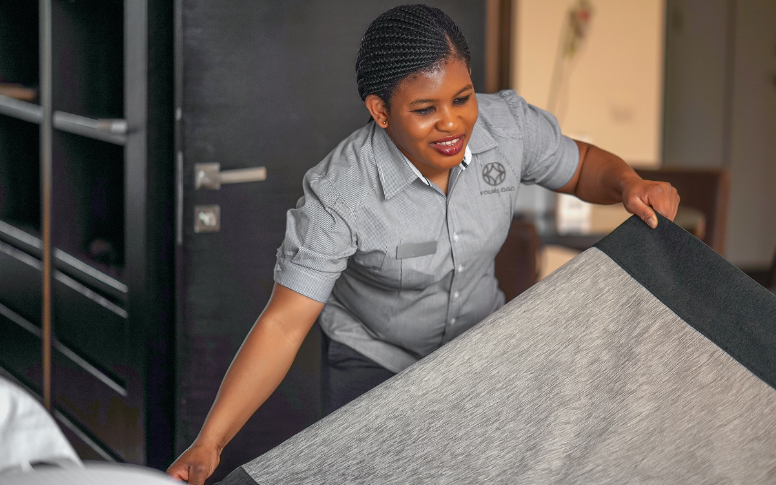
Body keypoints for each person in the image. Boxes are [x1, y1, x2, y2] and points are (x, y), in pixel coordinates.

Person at [167, 4, 679, 484]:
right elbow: (283, 324)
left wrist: (628, 184)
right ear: (382, 112)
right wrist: (210, 442)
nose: (453, 123)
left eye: (462, 98)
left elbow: (582, 166)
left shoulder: (509, 128)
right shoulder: (340, 193)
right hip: (374, 364)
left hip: (481, 351)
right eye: (425, 109)